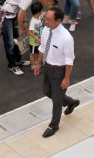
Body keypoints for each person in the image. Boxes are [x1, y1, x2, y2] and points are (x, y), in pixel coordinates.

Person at [33, 7, 79, 138]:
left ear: (58, 20)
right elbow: (42, 47)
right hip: (47, 67)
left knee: (57, 101)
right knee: (47, 92)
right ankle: (71, 102)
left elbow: (69, 60)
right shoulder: (46, 30)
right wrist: (38, 64)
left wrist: (66, 78)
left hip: (59, 70)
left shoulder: (66, 38)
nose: (46, 21)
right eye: (45, 18)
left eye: (49, 19)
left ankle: (53, 126)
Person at [0, 0, 54, 76]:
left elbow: (22, 9)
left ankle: (18, 60)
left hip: (11, 12)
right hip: (6, 14)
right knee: (9, 42)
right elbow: (21, 13)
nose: (43, 3)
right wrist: (21, 27)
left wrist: (25, 22)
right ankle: (12, 65)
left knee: (16, 40)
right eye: (45, 1)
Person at [28, 2, 44, 73]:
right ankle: (33, 66)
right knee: (32, 53)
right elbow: (30, 32)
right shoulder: (33, 21)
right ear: (38, 12)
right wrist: (36, 38)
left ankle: (37, 63)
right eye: (42, 10)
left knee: (37, 52)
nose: (42, 11)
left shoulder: (39, 18)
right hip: (34, 42)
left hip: (38, 40)